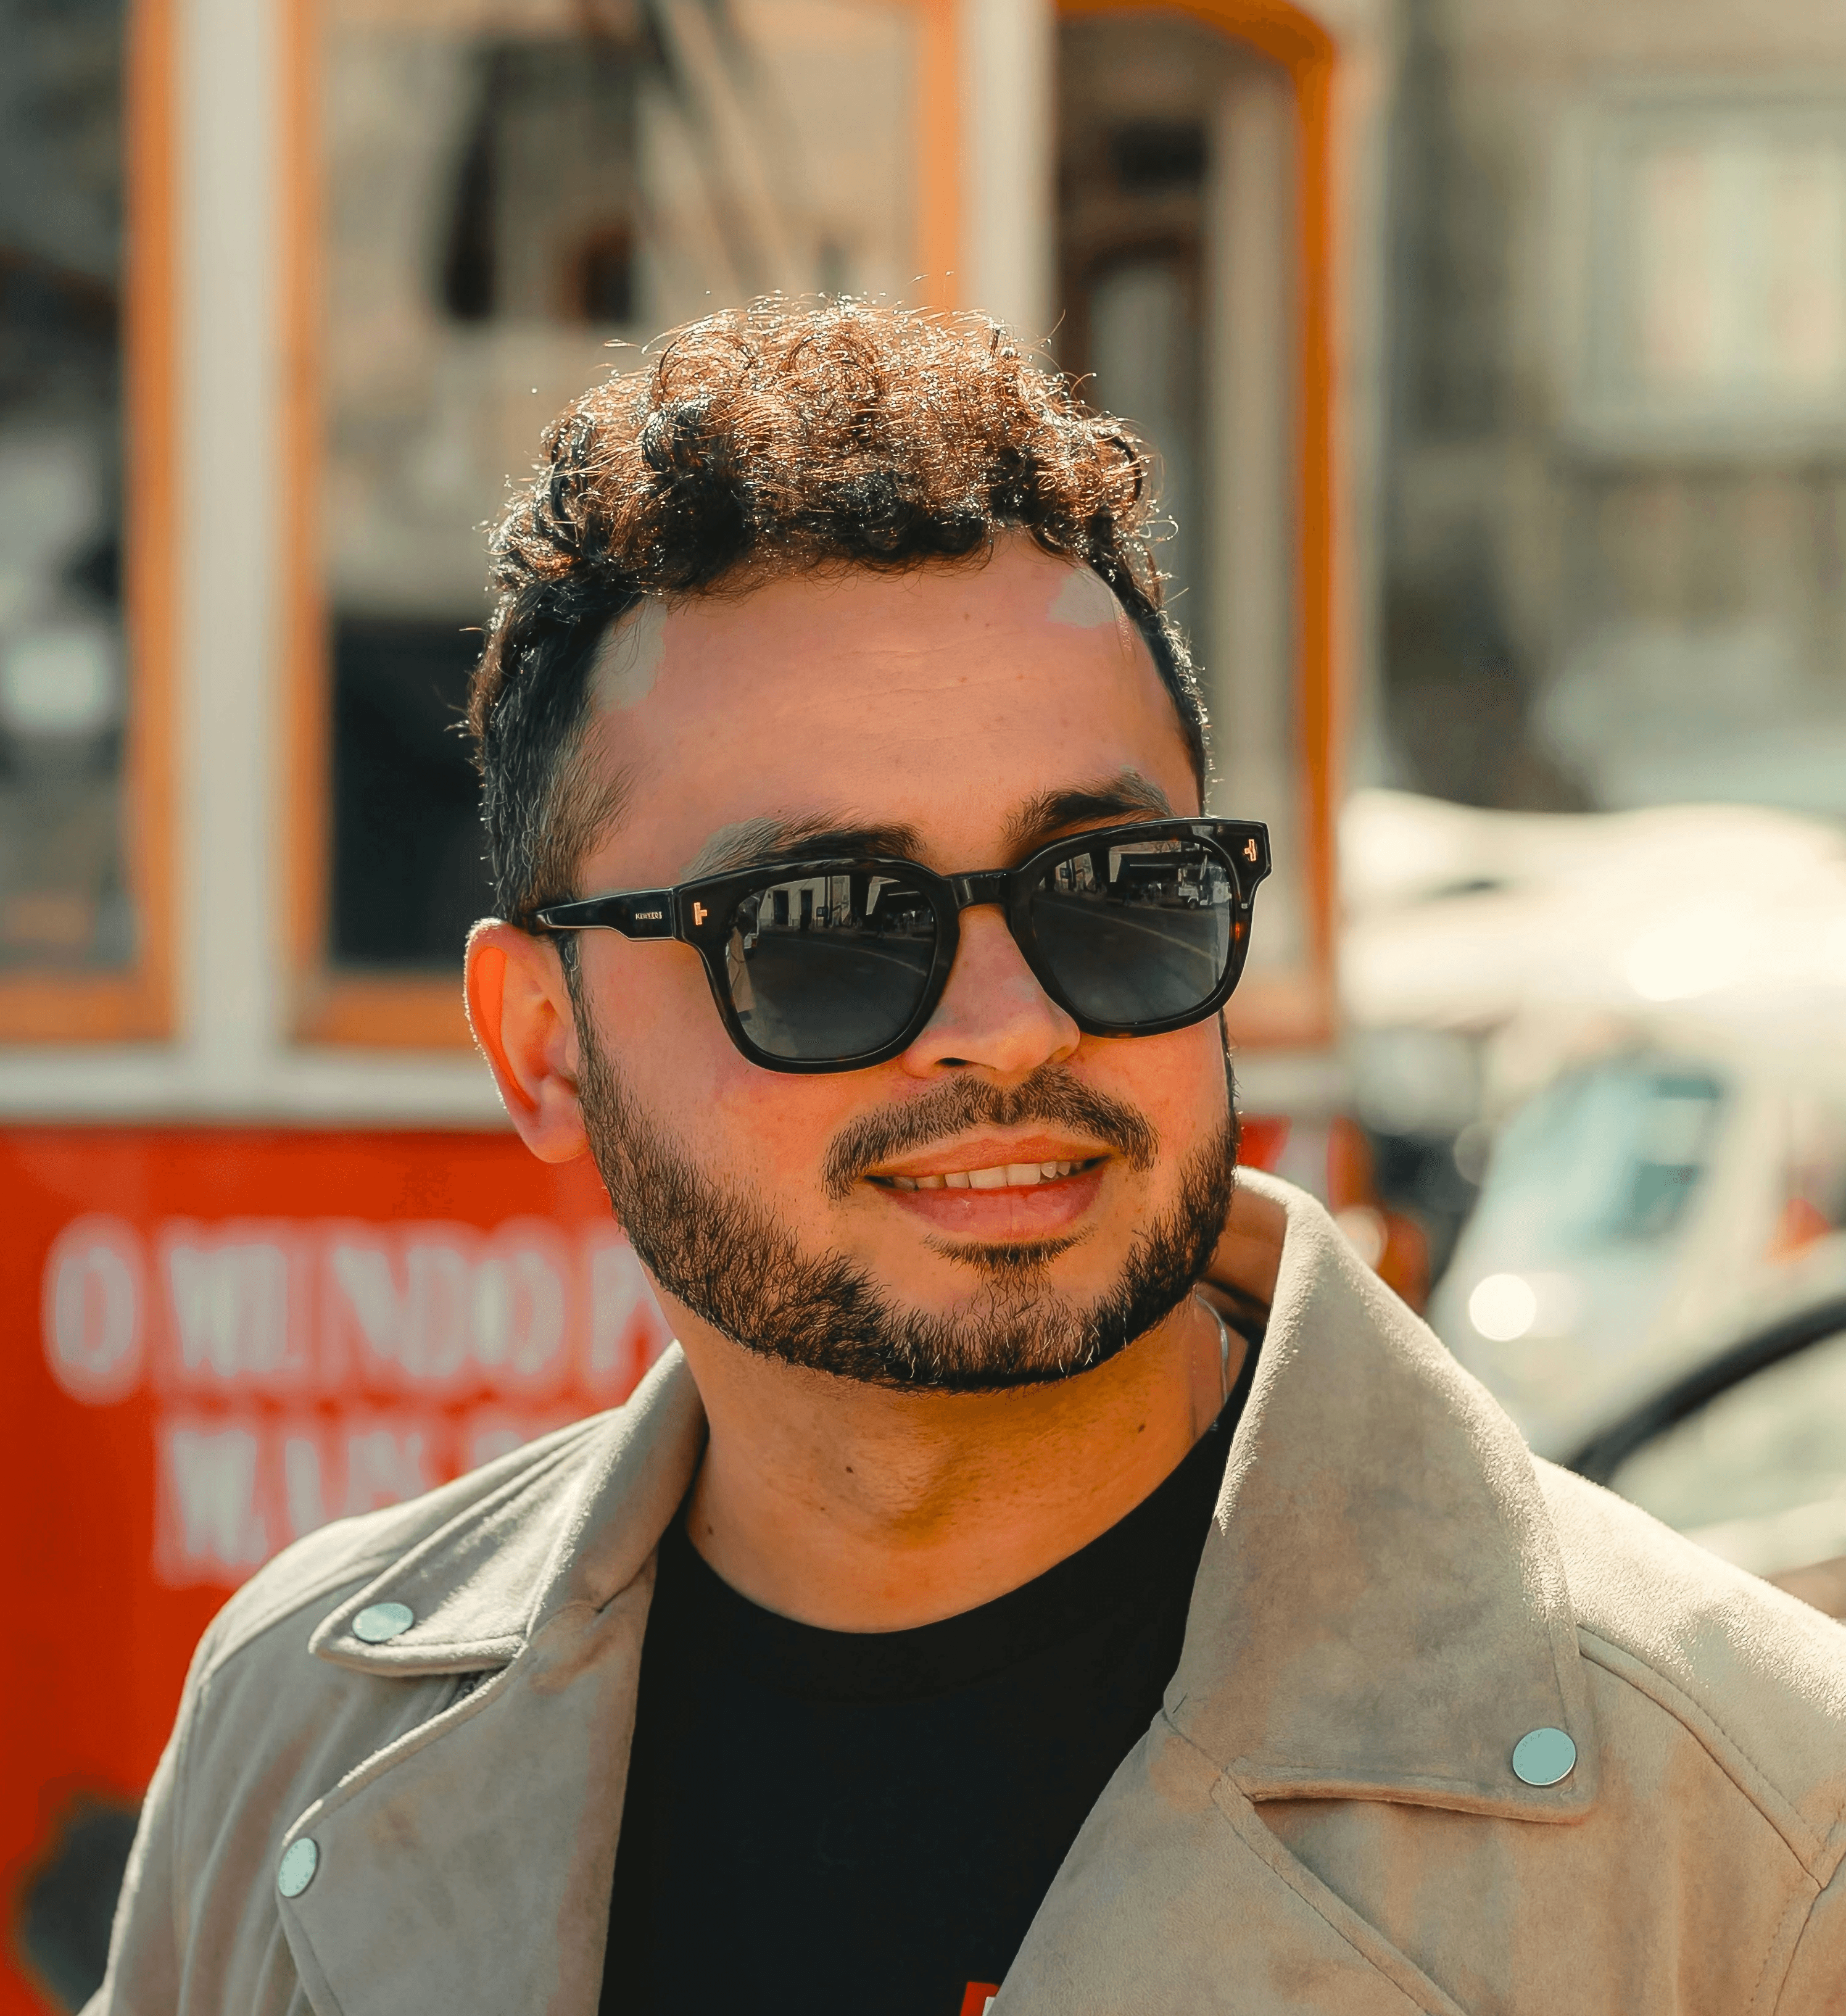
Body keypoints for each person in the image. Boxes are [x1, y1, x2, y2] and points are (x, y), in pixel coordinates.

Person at [92, 304, 1846, 2016]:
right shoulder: (304, 1731)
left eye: (1113, 894)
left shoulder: (1749, 1829)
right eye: (828, 929)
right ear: (543, 1045)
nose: (1008, 1029)